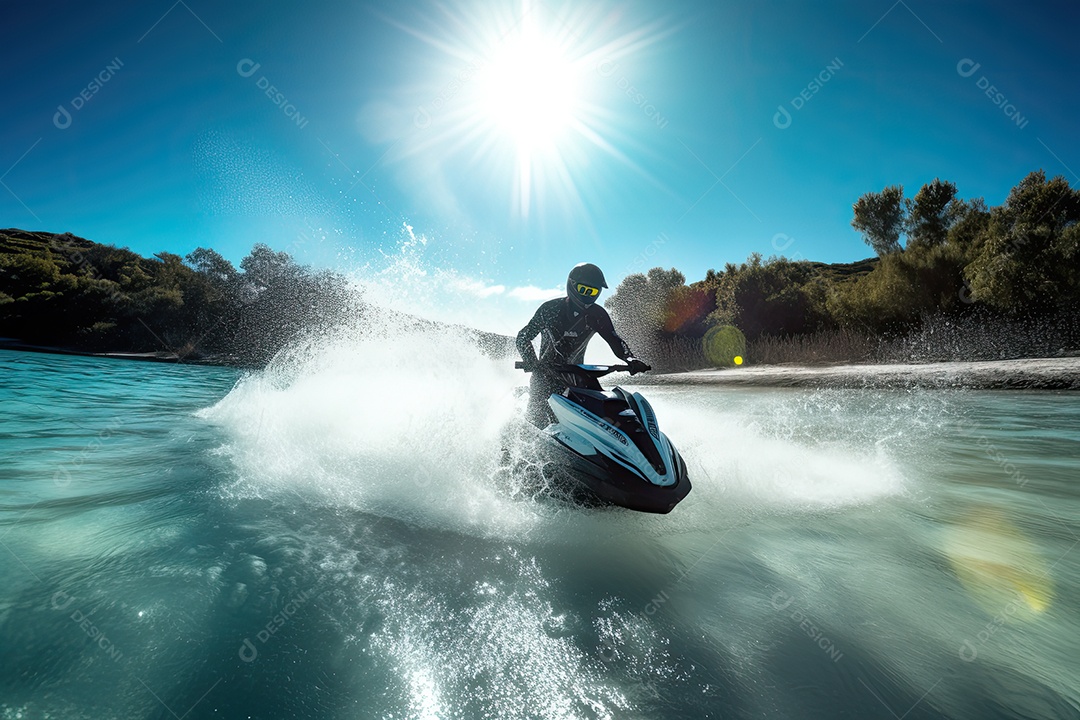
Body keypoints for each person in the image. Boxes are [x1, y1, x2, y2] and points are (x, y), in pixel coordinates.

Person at [516, 262, 650, 426]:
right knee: (536, 420)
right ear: (571, 285)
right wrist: (532, 361)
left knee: (603, 413)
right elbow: (523, 336)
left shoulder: (598, 315)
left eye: (592, 291)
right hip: (544, 375)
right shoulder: (550, 309)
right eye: (583, 289)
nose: (588, 296)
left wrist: (630, 359)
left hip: (578, 376)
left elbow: (615, 340)